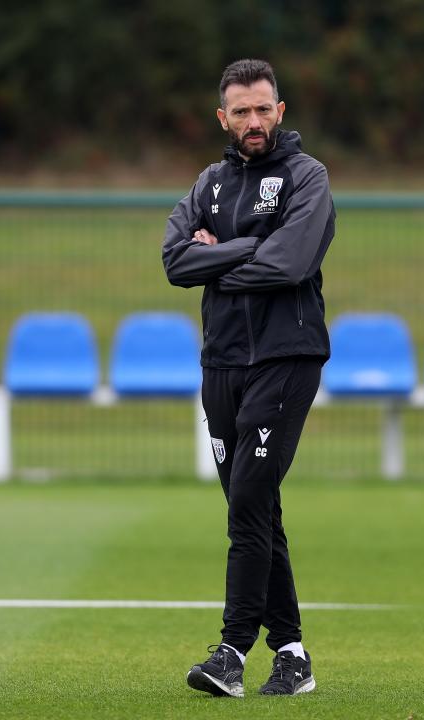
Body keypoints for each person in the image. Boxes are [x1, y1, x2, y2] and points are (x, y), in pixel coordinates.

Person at [162, 58, 335, 697]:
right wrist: (239, 251)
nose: (254, 121)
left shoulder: (306, 176)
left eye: (264, 108)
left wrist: (218, 255)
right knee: (255, 504)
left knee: (248, 503)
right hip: (222, 362)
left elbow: (289, 264)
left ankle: (231, 652)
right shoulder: (207, 183)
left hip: (287, 358)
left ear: (280, 111)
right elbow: (175, 261)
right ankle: (292, 655)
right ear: (224, 117)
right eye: (242, 111)